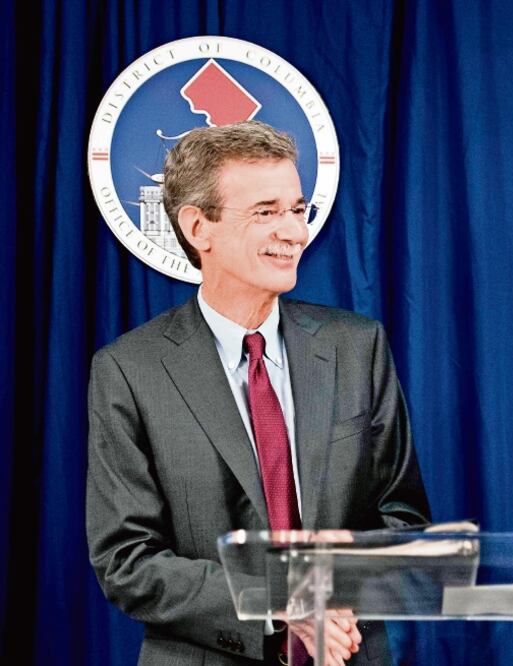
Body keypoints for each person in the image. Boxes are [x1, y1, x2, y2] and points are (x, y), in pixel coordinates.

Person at [86, 120, 430, 665]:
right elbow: (128, 561)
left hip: (348, 651)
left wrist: (332, 601)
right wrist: (281, 598)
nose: (294, 232)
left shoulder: (357, 346)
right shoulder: (129, 370)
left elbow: (403, 521)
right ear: (200, 227)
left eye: (297, 210)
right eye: (266, 212)